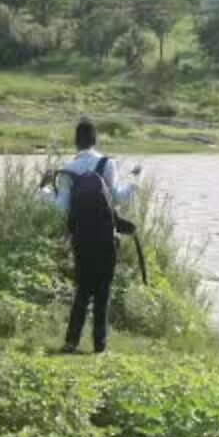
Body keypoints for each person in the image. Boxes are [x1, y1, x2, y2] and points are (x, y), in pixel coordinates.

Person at [40, 119, 142, 354]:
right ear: (95, 140)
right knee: (103, 290)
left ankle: (71, 342)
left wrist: (43, 189)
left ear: (76, 142)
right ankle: (100, 346)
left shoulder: (67, 169)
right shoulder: (107, 164)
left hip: (80, 239)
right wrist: (137, 178)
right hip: (106, 238)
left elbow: (61, 208)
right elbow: (118, 198)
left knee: (83, 289)